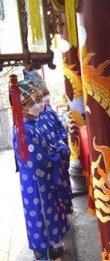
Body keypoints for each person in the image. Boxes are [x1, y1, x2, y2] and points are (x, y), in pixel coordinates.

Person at [9, 77, 69, 261]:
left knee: (48, 214)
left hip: (41, 180)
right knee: (40, 217)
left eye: (37, 99)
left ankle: (52, 249)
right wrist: (56, 158)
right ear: (22, 107)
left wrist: (55, 151)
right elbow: (38, 163)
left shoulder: (31, 125)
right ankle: (42, 257)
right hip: (37, 183)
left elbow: (46, 148)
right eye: (32, 101)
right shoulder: (24, 130)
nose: (37, 104)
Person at [23, 69, 74, 214]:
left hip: (59, 153)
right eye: (38, 98)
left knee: (65, 182)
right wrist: (54, 154)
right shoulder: (33, 122)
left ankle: (67, 205)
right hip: (51, 159)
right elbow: (41, 144)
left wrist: (62, 142)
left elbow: (60, 128)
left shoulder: (49, 111)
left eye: (44, 94)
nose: (43, 99)